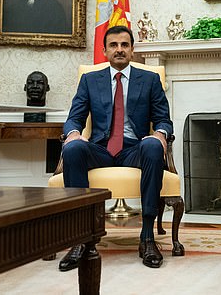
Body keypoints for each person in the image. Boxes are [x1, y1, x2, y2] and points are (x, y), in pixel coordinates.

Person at [58, 25, 173, 271]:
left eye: (124, 45)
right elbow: (74, 118)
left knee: (153, 146)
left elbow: (163, 119)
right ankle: (80, 240)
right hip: (100, 149)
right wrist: (74, 134)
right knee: (73, 149)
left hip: (135, 148)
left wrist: (160, 135)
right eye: (114, 45)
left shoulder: (150, 80)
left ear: (132, 50)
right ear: (105, 50)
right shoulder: (90, 80)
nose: (119, 50)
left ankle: (147, 237)